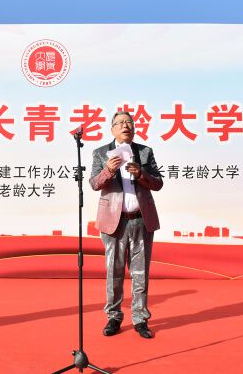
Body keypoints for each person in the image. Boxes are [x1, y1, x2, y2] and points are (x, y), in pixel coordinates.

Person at [89, 111, 163, 339]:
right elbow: (94, 183)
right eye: (120, 123)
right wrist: (109, 170)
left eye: (129, 122)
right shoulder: (100, 152)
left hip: (141, 219)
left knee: (140, 273)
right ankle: (114, 316)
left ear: (134, 128)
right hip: (114, 222)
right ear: (112, 129)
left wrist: (141, 174)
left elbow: (158, 183)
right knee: (114, 272)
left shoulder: (145, 151)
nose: (125, 125)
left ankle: (140, 319)